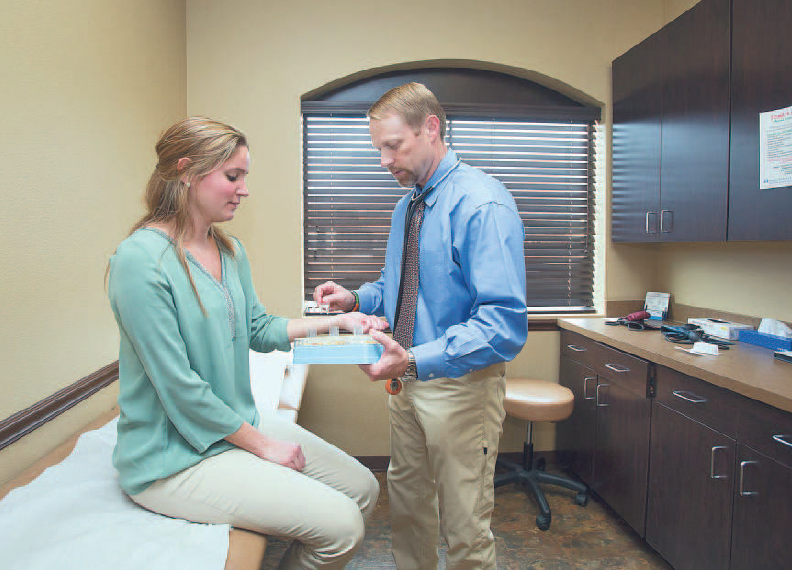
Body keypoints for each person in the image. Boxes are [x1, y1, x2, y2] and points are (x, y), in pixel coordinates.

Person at [107, 116, 383, 570]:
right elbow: (179, 387)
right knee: (343, 528)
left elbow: (258, 328)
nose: (244, 189)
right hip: (171, 457)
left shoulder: (229, 250)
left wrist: (340, 323)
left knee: (364, 488)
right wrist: (262, 445)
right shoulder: (139, 262)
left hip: (230, 424)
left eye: (244, 177)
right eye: (233, 176)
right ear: (187, 171)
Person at [314, 83, 528, 569]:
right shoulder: (408, 204)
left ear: (430, 127)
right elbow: (401, 283)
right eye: (379, 149)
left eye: (394, 146)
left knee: (465, 525)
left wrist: (414, 359)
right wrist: (355, 297)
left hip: (460, 390)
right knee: (408, 508)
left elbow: (503, 324)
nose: (385, 160)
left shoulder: (481, 204)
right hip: (405, 384)